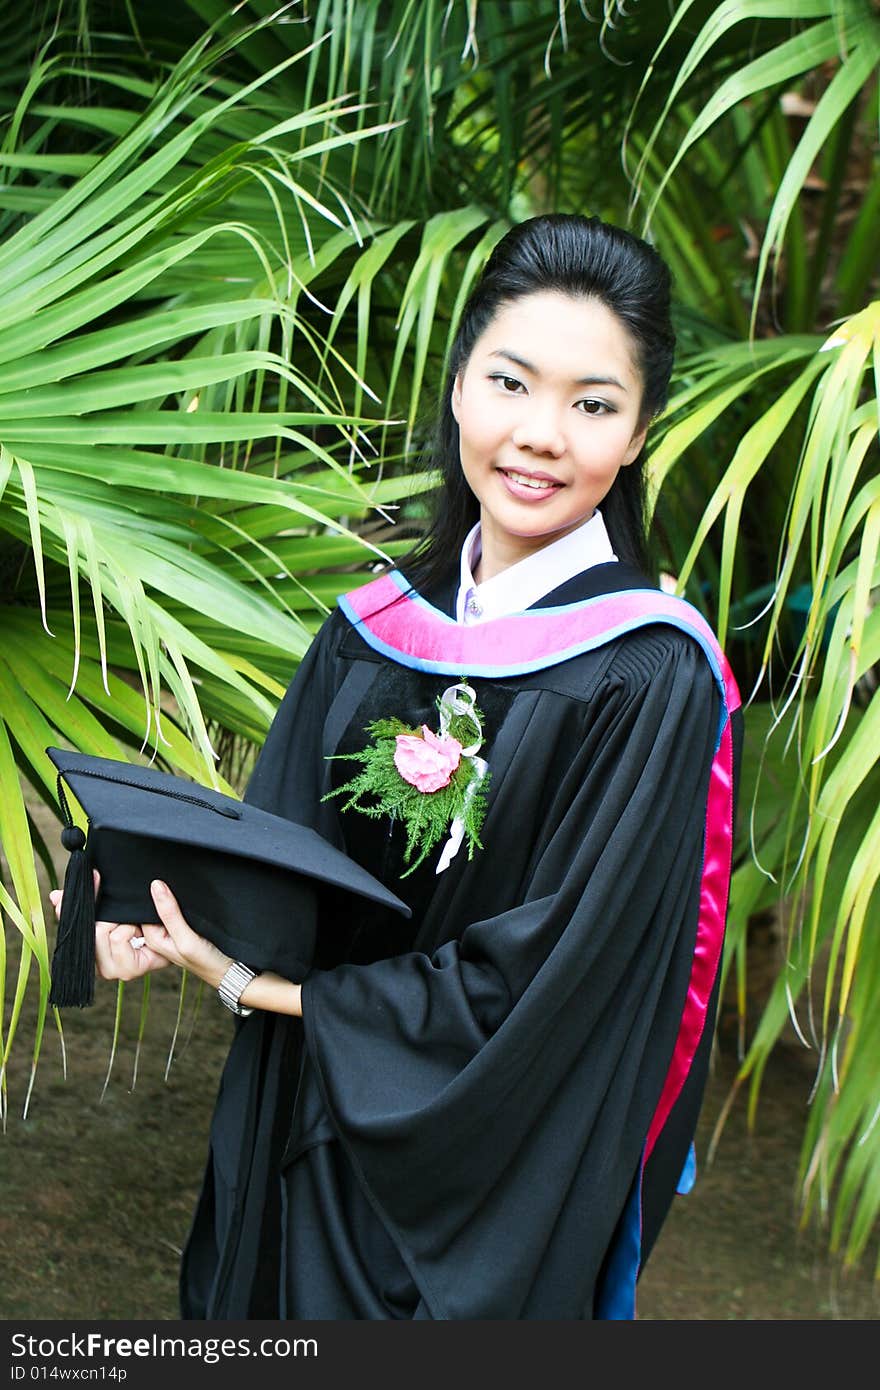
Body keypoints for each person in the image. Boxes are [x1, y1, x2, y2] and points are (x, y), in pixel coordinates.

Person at [50, 213, 742, 1320]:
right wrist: (148, 909)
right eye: (510, 383)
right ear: (459, 387)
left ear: (639, 433)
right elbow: (286, 854)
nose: (541, 435)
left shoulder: (648, 673)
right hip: (304, 1108)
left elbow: (559, 977)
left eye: (593, 405)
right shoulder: (375, 627)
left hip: (486, 1173)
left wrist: (262, 988)